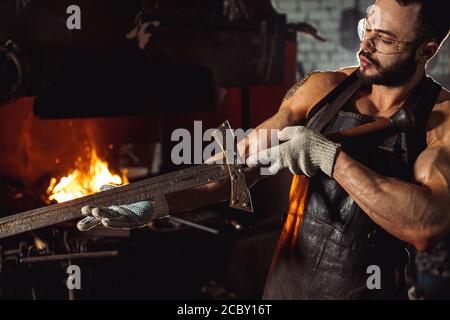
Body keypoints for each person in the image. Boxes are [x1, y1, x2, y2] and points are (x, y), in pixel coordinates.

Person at [77, 0, 450, 299]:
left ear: (426, 51)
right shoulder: (323, 89)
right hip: (285, 287)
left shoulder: (440, 118)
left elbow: (425, 224)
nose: (365, 45)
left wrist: (330, 159)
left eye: (384, 40)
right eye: (366, 26)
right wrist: (155, 201)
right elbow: (239, 164)